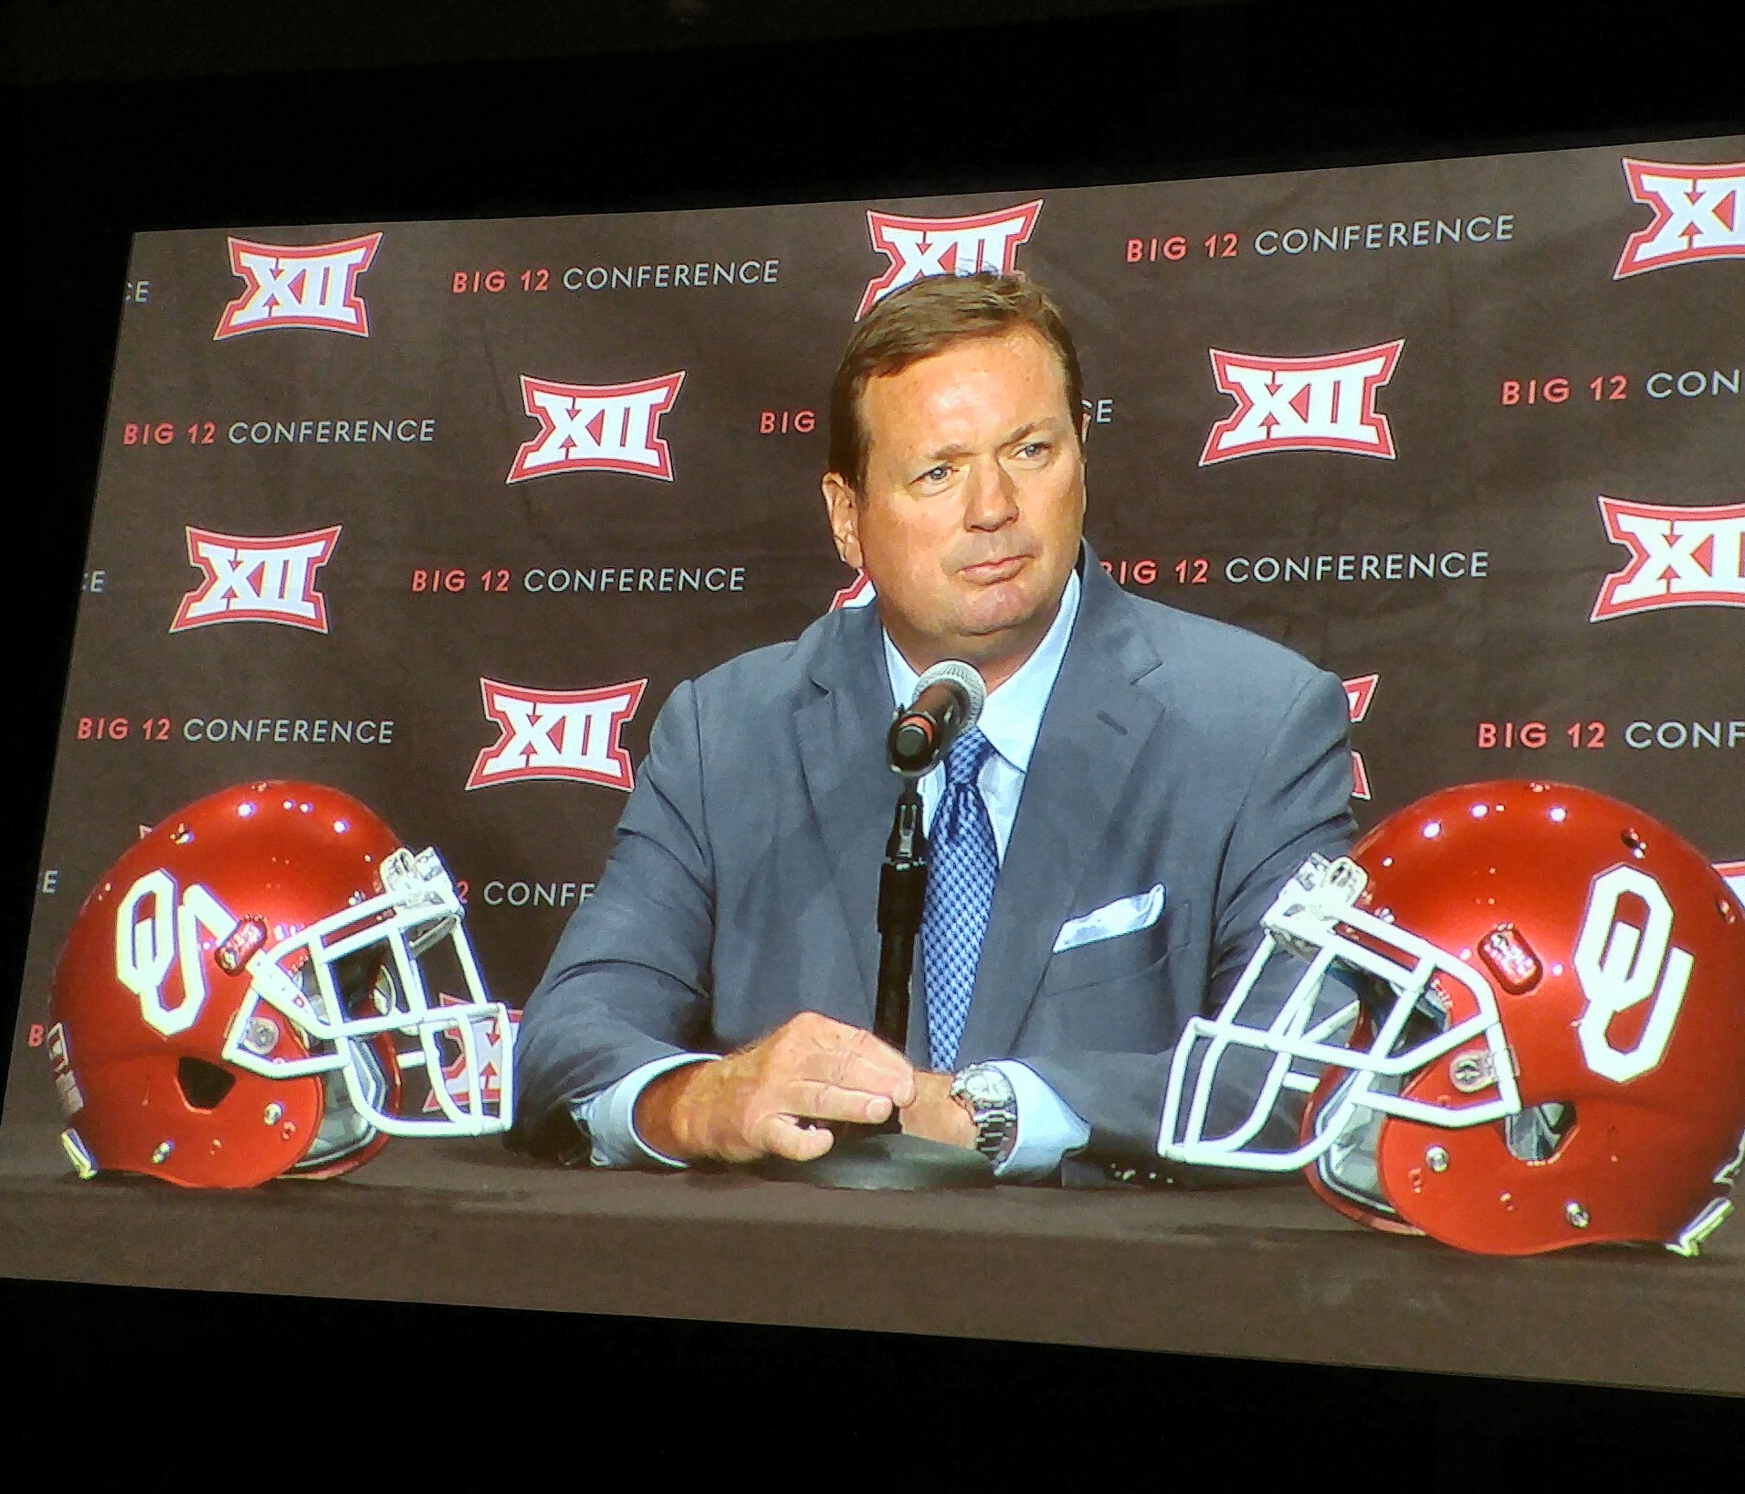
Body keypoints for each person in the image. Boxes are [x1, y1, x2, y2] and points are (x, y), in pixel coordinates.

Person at [510, 271, 1354, 1183]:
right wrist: (700, 1101)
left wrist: (981, 1113)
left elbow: (1301, 1067)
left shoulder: (1255, 724)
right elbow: (569, 1032)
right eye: (938, 472)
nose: (992, 508)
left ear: (1083, 462)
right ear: (847, 517)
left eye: (1030, 451)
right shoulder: (727, 735)